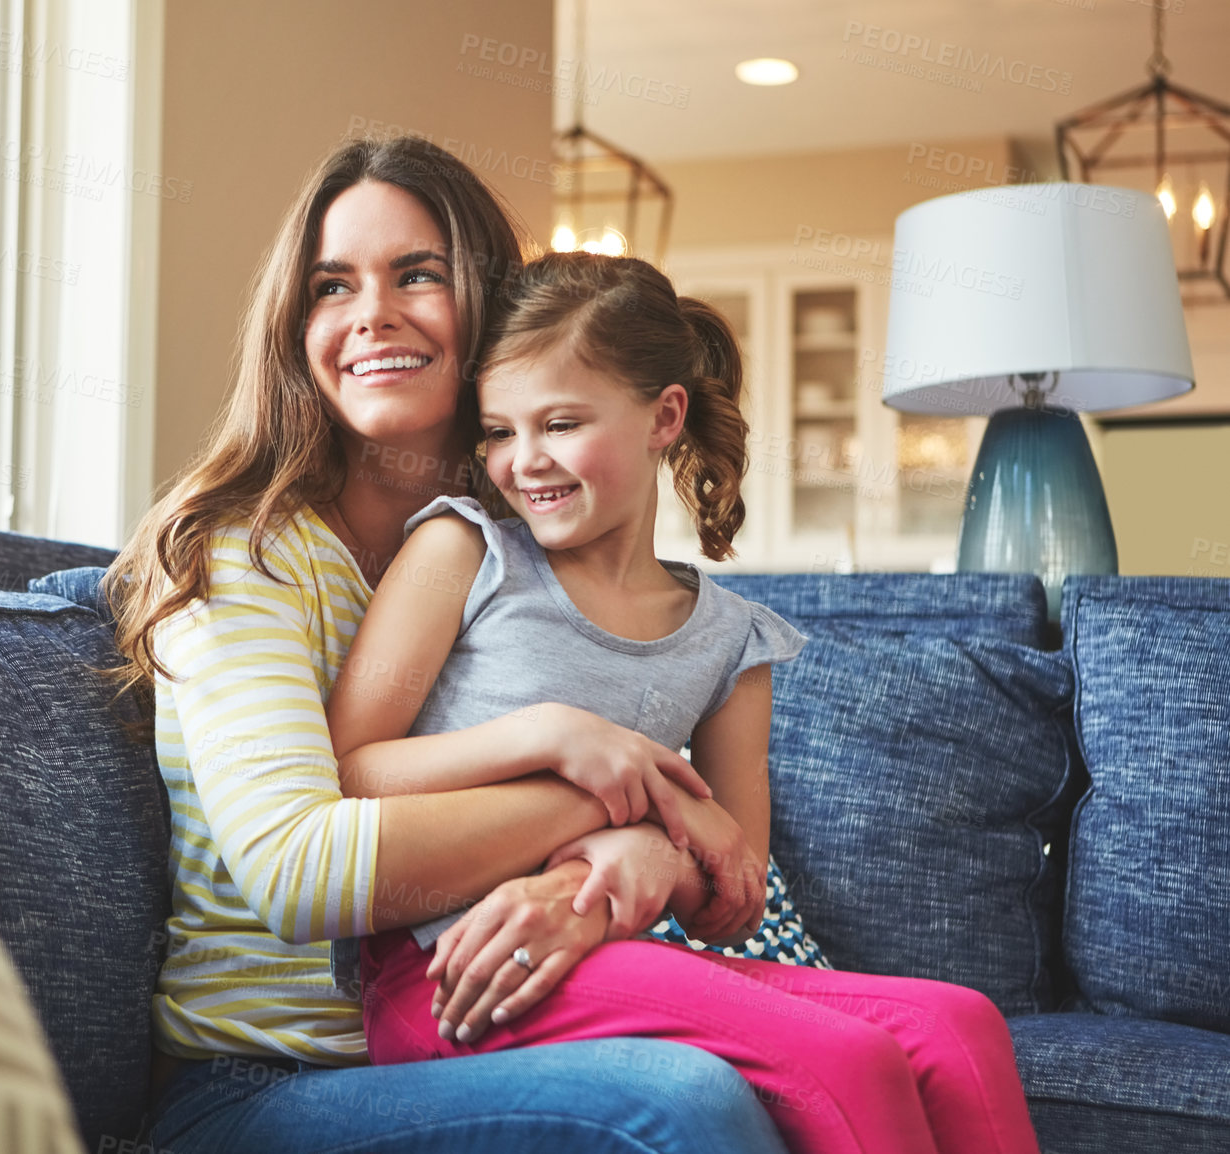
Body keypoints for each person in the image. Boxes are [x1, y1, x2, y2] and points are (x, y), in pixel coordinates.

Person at [104, 136, 791, 1152]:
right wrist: (609, 782)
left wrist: (635, 851)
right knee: (680, 1105)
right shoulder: (246, 555)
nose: (371, 313)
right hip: (264, 1085)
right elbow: (299, 872)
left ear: (494, 310)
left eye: (415, 275)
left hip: (493, 1037)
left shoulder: (521, 553)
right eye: (332, 285)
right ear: (295, 327)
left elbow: (695, 860)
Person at [328, 250, 1044, 1154]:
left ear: (665, 415)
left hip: (610, 950)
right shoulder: (464, 554)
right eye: (499, 431)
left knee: (959, 1028)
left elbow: (731, 893)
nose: (524, 461)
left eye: (561, 423)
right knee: (847, 1061)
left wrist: (645, 857)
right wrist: (555, 736)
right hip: (449, 966)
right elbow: (351, 769)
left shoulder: (732, 640)